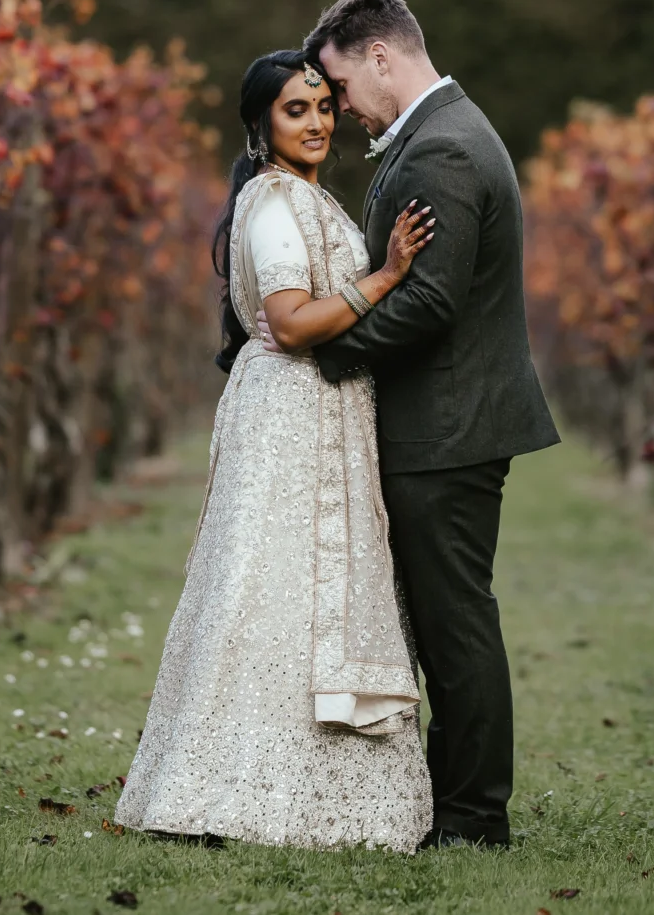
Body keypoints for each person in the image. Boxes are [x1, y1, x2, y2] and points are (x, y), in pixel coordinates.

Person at [114, 50, 438, 850]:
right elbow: (292, 322)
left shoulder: (311, 199)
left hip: (325, 409)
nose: (320, 121)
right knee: (264, 577)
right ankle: (222, 788)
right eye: (298, 109)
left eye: (325, 105)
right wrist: (390, 273)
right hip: (286, 409)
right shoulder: (269, 203)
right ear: (262, 123)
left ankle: (318, 793)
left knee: (314, 583)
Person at [285, 0, 561, 850]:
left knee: (455, 623)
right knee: (448, 619)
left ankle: (475, 819)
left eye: (340, 88)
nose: (339, 109)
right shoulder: (444, 132)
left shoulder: (442, 148)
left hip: (444, 428)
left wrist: (320, 350)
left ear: (380, 56)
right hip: (447, 421)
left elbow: (431, 303)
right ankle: (454, 805)